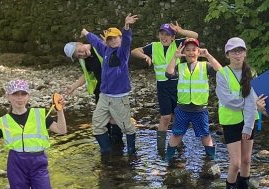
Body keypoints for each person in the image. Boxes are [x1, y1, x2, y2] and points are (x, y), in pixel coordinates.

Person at [132, 21, 200, 155]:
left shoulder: (178, 44)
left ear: (173, 37)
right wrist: (145, 56)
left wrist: (181, 31)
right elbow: (134, 51)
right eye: (162, 34)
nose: (164, 37)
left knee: (178, 116)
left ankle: (177, 142)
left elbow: (195, 36)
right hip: (163, 86)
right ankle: (160, 147)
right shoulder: (154, 46)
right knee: (165, 117)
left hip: (178, 85)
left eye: (167, 35)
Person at [215, 39, 266, 189]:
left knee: (246, 160)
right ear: (227, 54)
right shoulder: (222, 73)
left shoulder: (252, 72)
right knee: (235, 163)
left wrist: (248, 126)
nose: (237, 55)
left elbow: (255, 99)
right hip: (230, 122)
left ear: (245, 53)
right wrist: (250, 104)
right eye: (233, 51)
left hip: (249, 121)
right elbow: (228, 101)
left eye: (240, 51)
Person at [82, 16, 138, 157]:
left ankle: (132, 154)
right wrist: (86, 33)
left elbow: (127, 40)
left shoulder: (123, 52)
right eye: (109, 39)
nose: (112, 41)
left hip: (119, 97)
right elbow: (96, 42)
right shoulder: (105, 50)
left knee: (127, 127)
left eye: (115, 38)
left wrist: (126, 27)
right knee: (97, 124)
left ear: (120, 38)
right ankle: (107, 153)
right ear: (106, 41)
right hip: (104, 96)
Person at [165, 38, 218, 164]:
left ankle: (212, 159)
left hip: (200, 108)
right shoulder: (180, 66)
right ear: (184, 52)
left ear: (198, 52)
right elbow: (168, 74)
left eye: (194, 50)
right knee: (177, 134)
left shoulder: (205, 66)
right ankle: (168, 158)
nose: (191, 53)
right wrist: (175, 57)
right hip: (182, 108)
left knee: (205, 134)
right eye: (187, 50)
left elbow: (221, 71)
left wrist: (208, 56)